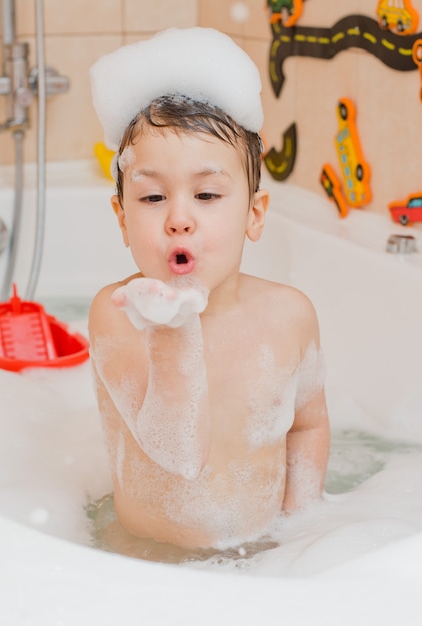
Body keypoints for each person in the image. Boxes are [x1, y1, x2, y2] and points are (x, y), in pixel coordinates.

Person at [88, 27, 329, 557]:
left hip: (264, 556)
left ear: (254, 214)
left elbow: (308, 427)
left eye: (206, 194)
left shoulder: (290, 315)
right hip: (145, 562)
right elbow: (177, 454)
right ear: (122, 219)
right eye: (152, 196)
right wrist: (173, 329)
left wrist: (299, 534)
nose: (179, 219)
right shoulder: (118, 316)